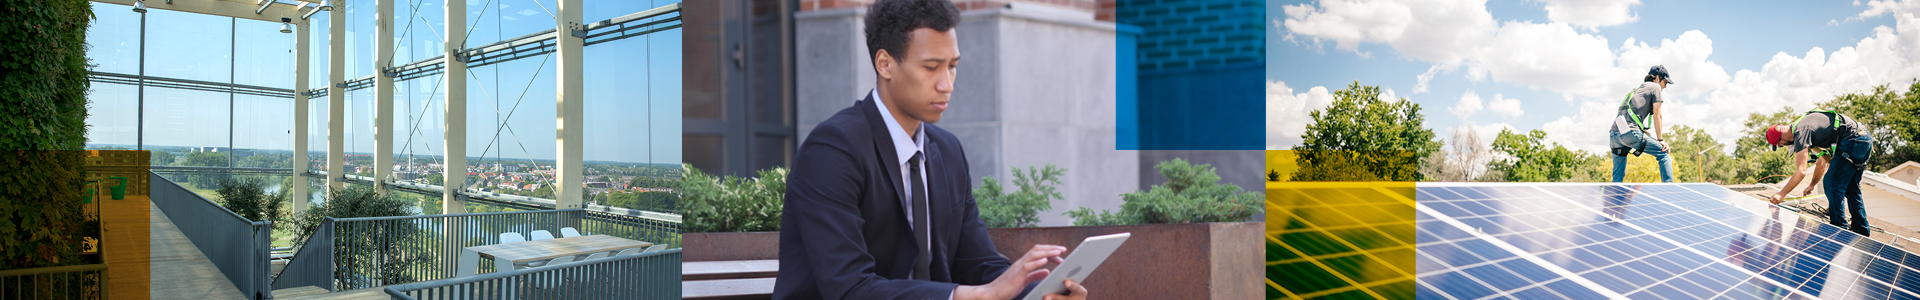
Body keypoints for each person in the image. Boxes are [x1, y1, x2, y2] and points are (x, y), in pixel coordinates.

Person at [773, 0, 1089, 299]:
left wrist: (1036, 290)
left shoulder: (947, 151)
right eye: (931, 67)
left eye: (952, 66)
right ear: (885, 64)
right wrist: (975, 295)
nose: (947, 83)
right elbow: (849, 289)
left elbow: (979, 265)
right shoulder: (832, 150)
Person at [1766, 110, 1875, 236]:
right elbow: (1822, 161)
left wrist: (1781, 194)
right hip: (1864, 138)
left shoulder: (1800, 132)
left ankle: (1839, 228)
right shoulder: (1805, 124)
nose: (1782, 145)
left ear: (1781, 141)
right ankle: (1861, 230)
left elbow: (1801, 171)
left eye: (1780, 145)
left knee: (1832, 183)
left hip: (1853, 139)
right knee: (1851, 188)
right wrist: (1812, 184)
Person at [1609, 65, 1678, 182]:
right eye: (1665, 82)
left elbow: (1634, 121)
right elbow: (1657, 115)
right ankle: (1670, 191)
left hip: (1614, 136)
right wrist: (1660, 141)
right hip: (1630, 134)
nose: (1665, 86)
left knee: (1617, 179)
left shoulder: (1636, 90)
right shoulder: (1655, 87)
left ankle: (1614, 199)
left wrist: (1652, 139)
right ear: (1657, 78)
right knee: (1664, 153)